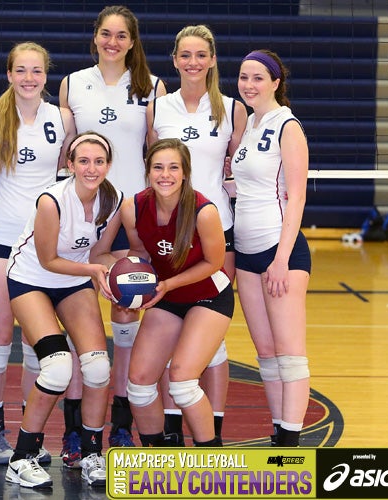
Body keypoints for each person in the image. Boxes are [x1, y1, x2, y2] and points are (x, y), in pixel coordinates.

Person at [58, 4, 166, 459]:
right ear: (96, 37)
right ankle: (76, 431)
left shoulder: (151, 87)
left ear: (133, 41)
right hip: (83, 213)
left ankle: (121, 423)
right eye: (106, 33)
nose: (113, 42)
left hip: (133, 214)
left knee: (125, 316)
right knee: (79, 327)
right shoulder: (72, 83)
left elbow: (163, 149)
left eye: (122, 35)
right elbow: (63, 151)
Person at [0, 41, 76, 466]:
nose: (29, 78)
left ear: (46, 75)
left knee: (38, 346)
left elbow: (71, 177)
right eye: (21, 70)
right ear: (10, 74)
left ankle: (26, 435)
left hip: (42, 246)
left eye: (36, 71)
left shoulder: (62, 118)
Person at [147, 24, 247, 446]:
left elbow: (236, 165)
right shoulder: (159, 106)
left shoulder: (231, 108)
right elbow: (152, 164)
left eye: (200, 55)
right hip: (169, 233)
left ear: (211, 59)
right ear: (174, 60)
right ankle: (171, 428)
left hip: (215, 230)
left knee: (211, 335)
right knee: (171, 329)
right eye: (185, 55)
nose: (193, 62)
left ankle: (214, 432)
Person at [4, 132, 121, 489]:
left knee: (99, 367)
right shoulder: (51, 201)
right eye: (83, 161)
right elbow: (48, 259)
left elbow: (98, 254)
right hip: (30, 279)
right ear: (69, 165)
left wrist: (122, 268)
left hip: (72, 280)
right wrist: (93, 271)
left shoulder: (111, 199)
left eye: (99, 161)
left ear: (108, 165)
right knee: (57, 369)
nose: (91, 168)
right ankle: (21, 458)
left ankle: (90, 453)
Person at [121, 138, 234, 447]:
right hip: (166, 297)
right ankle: (161, 456)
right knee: (140, 385)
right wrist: (126, 281)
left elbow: (215, 262)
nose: (165, 175)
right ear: (148, 171)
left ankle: (211, 458)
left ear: (185, 173)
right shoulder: (133, 208)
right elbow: (139, 251)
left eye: (174, 167)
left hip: (207, 296)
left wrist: (168, 283)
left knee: (182, 383)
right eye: (158, 167)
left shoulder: (204, 211)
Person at [232, 49, 311, 447]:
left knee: (290, 351)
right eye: (244, 77)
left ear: (276, 82)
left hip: (279, 251)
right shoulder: (249, 123)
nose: (249, 85)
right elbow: (246, 186)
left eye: (258, 77)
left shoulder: (287, 125)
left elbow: (296, 197)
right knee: (265, 351)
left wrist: (281, 259)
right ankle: (281, 427)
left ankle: (290, 444)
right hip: (245, 254)